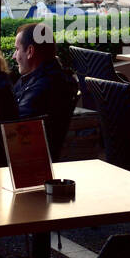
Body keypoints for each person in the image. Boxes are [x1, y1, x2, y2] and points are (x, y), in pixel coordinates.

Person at [12, 22, 80, 157]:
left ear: (30, 51)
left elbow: (14, 128)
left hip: (27, 158)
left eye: (17, 49)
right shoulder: (52, 77)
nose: (14, 56)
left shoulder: (41, 88)